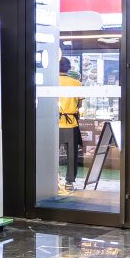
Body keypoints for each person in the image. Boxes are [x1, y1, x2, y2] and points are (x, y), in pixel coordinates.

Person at [58, 57, 82, 186]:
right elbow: (79, 104)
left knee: (51, 153)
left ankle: (54, 180)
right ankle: (69, 182)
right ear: (70, 68)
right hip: (71, 122)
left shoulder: (52, 82)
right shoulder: (76, 83)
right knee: (72, 154)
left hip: (54, 123)